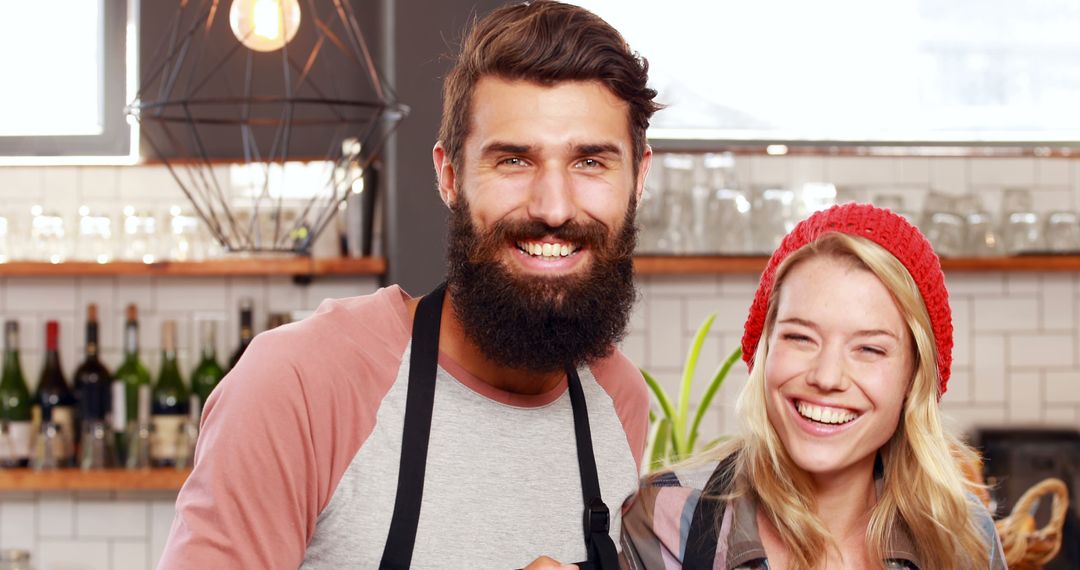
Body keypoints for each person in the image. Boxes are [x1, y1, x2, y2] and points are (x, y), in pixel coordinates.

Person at [159, 1, 659, 569]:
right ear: (449, 177)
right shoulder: (300, 384)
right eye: (514, 160)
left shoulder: (618, 400)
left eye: (591, 162)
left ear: (638, 177)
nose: (552, 207)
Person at [620, 203, 1007, 570]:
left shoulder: (962, 537)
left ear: (913, 378)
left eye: (869, 348)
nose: (826, 377)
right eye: (801, 338)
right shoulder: (664, 522)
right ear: (766, 347)